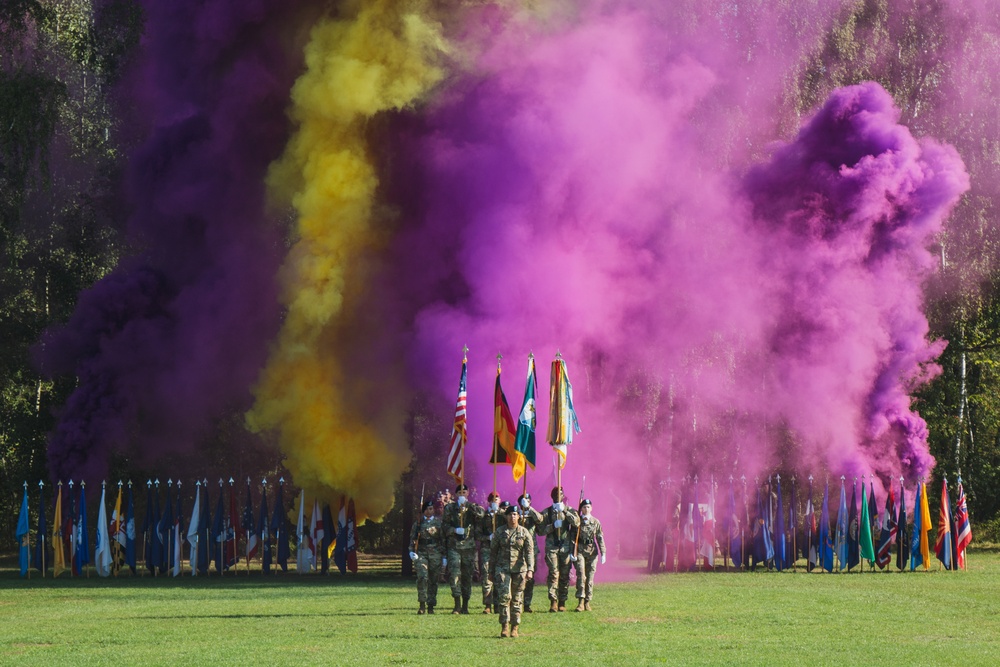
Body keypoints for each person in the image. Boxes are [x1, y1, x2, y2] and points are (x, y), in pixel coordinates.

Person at [490, 504, 534, 638]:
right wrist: (491, 571)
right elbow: (493, 552)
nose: (512, 517)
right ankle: (504, 626)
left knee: (517, 599)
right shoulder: (500, 532)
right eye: (510, 514)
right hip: (502, 569)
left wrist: (530, 569)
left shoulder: (524, 532)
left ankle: (515, 627)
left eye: (515, 514)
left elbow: (529, 552)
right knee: (504, 598)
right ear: (506, 516)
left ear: (519, 516)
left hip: (519, 570)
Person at [442, 483, 484, 614]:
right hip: (454, 547)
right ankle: (457, 604)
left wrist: (469, 505)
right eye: (459, 493)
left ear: (468, 494)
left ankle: (465, 604)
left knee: (467, 576)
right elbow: (444, 526)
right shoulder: (449, 508)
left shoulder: (473, 507)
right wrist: (454, 529)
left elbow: (481, 514)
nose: (462, 495)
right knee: (454, 575)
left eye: (464, 493)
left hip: (469, 547)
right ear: (456, 495)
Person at [539, 486, 579, 612]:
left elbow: (577, 523)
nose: (558, 495)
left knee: (565, 575)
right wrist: (552, 527)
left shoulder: (569, 510)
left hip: (565, 547)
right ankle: (553, 601)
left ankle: (562, 601)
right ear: (552, 496)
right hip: (552, 547)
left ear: (563, 496)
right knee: (553, 574)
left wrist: (565, 512)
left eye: (560, 493)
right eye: (556, 493)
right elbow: (540, 531)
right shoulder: (547, 512)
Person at [568, 498, 606, 611]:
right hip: (579, 550)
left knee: (590, 578)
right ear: (581, 509)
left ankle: (587, 601)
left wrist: (603, 552)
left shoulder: (595, 522)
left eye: (588, 507)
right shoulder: (577, 522)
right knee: (581, 575)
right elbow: (572, 538)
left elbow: (600, 538)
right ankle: (580, 601)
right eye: (584, 507)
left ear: (591, 508)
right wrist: (572, 551)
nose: (586, 509)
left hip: (592, 552)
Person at [409, 499, 444, 615]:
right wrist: (411, 552)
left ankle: (431, 605)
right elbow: (412, 539)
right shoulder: (418, 523)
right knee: (422, 577)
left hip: (435, 553)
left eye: (432, 508)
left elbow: (443, 540)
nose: (431, 511)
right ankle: (422, 604)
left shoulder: (439, 523)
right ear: (424, 511)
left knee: (434, 580)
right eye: (428, 509)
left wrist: (444, 556)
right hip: (422, 553)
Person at [516, 492, 544, 612]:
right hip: (517, 551)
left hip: (531, 550)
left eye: (528, 499)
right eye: (523, 500)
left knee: (530, 577)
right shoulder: (516, 514)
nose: (525, 501)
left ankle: (527, 604)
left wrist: (529, 508)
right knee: (518, 577)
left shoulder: (533, 514)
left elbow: (540, 519)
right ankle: (518, 602)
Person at [477, 492, 503, 613]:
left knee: (499, 576)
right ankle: (488, 604)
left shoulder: (503, 515)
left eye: (496, 499)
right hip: (487, 549)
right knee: (487, 576)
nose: (494, 501)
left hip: (500, 550)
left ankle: (497, 604)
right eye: (492, 499)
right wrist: (488, 537)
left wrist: (499, 512)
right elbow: (477, 534)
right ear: (489, 501)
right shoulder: (483, 516)